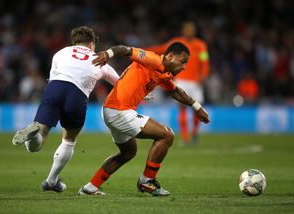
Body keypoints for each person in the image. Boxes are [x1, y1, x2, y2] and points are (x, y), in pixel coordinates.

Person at [79, 42, 210, 196]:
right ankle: (147, 181)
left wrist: (197, 107)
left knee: (127, 153)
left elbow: (176, 91)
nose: (184, 67)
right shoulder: (151, 59)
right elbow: (125, 50)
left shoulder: (163, 73)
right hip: (119, 110)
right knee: (167, 135)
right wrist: (108, 54)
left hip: (113, 110)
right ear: (170, 56)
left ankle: (90, 188)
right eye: (183, 61)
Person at [12, 26, 120, 192]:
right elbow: (119, 82)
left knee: (38, 140)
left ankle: (34, 134)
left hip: (54, 88)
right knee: (69, 139)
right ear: (92, 44)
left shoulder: (60, 53)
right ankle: (51, 180)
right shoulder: (98, 58)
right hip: (77, 95)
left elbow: (53, 75)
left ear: (74, 42)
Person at [147, 21, 210, 144]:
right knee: (182, 109)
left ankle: (195, 133)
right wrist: (143, 51)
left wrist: (204, 75)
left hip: (196, 82)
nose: (189, 31)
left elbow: (205, 61)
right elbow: (160, 49)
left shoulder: (200, 45)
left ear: (194, 31)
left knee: (197, 108)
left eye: (191, 29)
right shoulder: (176, 43)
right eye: (187, 29)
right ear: (183, 31)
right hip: (181, 80)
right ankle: (185, 137)